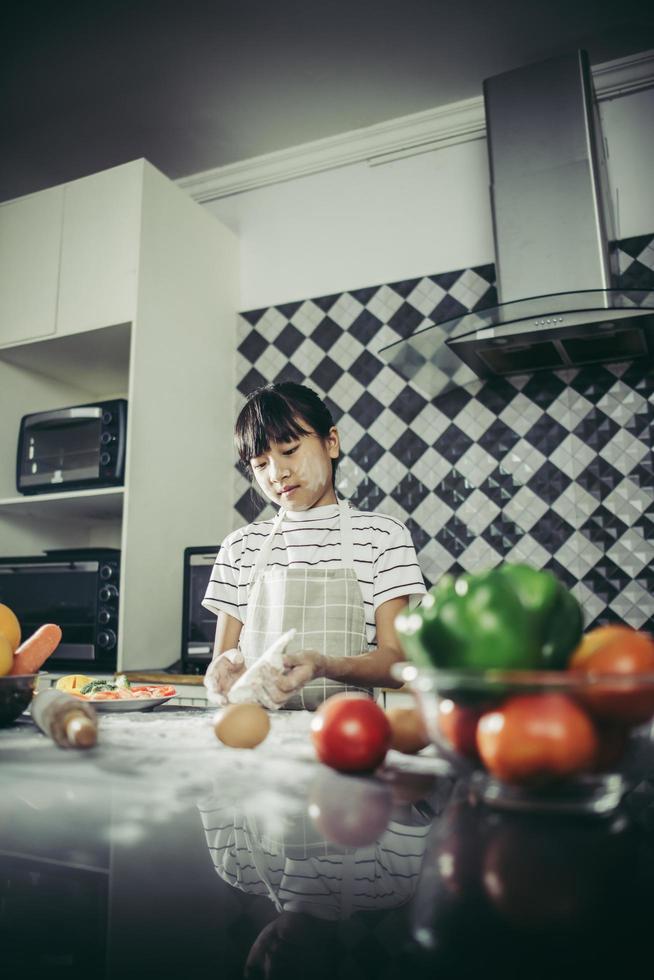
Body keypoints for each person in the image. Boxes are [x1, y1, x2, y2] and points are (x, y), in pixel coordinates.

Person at [202, 381, 426, 709]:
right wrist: (220, 678)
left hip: (347, 736)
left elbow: (395, 664)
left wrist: (325, 666)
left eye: (289, 450)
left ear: (331, 442)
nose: (277, 473)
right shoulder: (240, 548)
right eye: (260, 464)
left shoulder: (383, 538)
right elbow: (223, 663)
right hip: (257, 737)